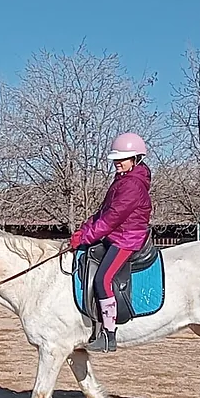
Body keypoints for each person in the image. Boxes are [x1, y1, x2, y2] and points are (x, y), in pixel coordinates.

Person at [70, 133, 152, 352]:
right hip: (116, 235)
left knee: (102, 279)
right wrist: (84, 230)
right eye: (116, 159)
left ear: (136, 159)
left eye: (122, 159)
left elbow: (112, 219)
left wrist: (86, 237)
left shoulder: (132, 186)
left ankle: (109, 334)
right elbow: (102, 213)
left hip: (127, 238)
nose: (117, 162)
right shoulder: (122, 180)